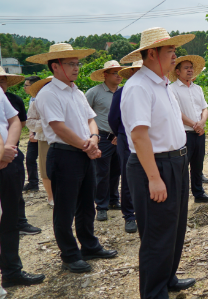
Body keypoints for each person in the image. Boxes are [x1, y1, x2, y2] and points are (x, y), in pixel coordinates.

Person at [119, 27, 197, 297]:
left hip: (175, 163)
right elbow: (139, 136)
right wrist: (153, 177)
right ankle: (154, 291)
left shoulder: (162, 84)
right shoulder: (139, 86)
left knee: (174, 228)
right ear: (152, 53)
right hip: (154, 166)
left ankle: (168, 277)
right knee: (156, 234)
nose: (175, 56)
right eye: (170, 51)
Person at [26, 43, 117, 273]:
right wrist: (87, 145)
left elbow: (90, 119)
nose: (76, 68)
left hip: (84, 152)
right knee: (65, 208)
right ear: (55, 66)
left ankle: (89, 246)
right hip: (64, 155)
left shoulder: (76, 91)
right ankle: (69, 254)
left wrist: (94, 138)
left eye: (77, 63)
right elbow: (58, 127)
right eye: (71, 64)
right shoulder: (47, 93)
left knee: (87, 204)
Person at [0, 82, 45, 289]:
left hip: (9, 162)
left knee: (10, 220)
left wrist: (8, 148)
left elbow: (14, 120)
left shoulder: (1, 94)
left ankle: (11, 272)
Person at [169, 55, 208, 204]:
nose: (190, 70)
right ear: (177, 71)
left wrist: (201, 123)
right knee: (182, 166)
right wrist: (194, 125)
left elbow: (204, 108)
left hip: (199, 133)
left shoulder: (197, 88)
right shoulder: (172, 89)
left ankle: (199, 193)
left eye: (191, 68)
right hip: (184, 134)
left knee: (198, 165)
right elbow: (176, 112)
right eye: (186, 68)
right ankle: (180, 196)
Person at [0, 70, 42, 236]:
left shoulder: (13, 99)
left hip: (12, 152)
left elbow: (20, 122)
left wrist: (8, 146)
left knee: (15, 192)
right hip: (5, 152)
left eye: (3, 80)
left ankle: (20, 222)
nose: (1, 84)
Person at [86, 60, 125, 222]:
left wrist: (120, 133)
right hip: (101, 137)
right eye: (114, 72)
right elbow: (85, 115)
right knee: (101, 173)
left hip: (119, 137)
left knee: (117, 171)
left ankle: (114, 200)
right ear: (105, 75)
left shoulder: (124, 92)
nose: (118, 76)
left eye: (119, 72)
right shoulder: (94, 93)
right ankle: (101, 206)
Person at [108, 61, 142, 234]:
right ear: (132, 72)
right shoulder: (122, 92)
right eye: (138, 70)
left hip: (148, 139)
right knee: (128, 175)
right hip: (126, 138)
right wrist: (121, 134)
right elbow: (113, 118)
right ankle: (129, 215)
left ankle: (144, 212)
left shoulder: (153, 90)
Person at [26, 76, 54, 206]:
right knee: (45, 168)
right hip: (44, 138)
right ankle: (51, 197)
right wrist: (46, 123)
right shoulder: (36, 102)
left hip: (66, 139)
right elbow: (30, 122)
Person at [22, 76, 41, 192]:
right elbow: (31, 119)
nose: (24, 88)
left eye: (26, 85)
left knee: (45, 160)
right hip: (34, 133)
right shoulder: (32, 99)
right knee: (30, 158)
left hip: (43, 134)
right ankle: (33, 183)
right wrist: (31, 133)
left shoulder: (42, 98)